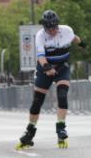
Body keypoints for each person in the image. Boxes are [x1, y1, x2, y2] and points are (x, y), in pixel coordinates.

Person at [16, 10, 86, 149]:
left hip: (62, 67)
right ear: (44, 27)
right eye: (49, 29)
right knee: (37, 101)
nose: (53, 31)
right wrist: (47, 68)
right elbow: (41, 56)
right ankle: (30, 131)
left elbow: (74, 38)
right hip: (44, 68)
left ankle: (61, 127)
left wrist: (82, 44)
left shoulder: (66, 30)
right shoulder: (40, 36)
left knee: (62, 95)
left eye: (55, 27)